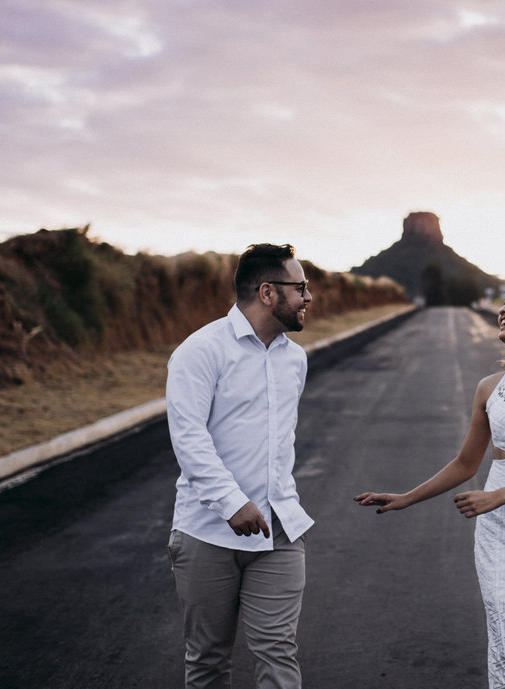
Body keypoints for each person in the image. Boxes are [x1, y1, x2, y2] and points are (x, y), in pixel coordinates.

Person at [355, 281, 505, 689]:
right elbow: (466, 463)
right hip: (500, 533)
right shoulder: (489, 386)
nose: (503, 309)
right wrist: (408, 497)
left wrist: (497, 496)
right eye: (504, 302)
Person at [166, 243, 315, 689]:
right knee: (208, 660)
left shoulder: (296, 359)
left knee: (278, 650)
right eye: (300, 287)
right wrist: (232, 502)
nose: (308, 297)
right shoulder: (200, 350)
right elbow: (188, 437)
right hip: (207, 532)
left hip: (279, 530)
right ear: (267, 292)